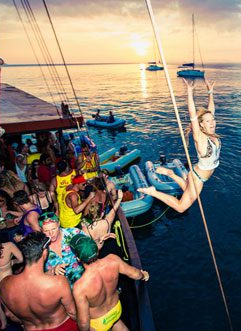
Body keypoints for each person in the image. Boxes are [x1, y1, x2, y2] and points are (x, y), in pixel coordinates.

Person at [138, 78, 220, 213]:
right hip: (198, 178)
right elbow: (193, 114)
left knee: (186, 188)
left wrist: (210, 91)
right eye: (207, 121)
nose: (212, 123)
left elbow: (211, 110)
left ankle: (170, 173)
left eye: (213, 120)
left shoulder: (212, 133)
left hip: (196, 175)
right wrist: (189, 91)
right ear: (201, 124)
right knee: (181, 207)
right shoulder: (200, 137)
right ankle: (153, 192)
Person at [0, 232, 79, 331]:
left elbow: (10, 315)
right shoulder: (58, 283)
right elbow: (72, 312)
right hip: (62, 327)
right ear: (45, 252)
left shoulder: (4, 284)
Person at [71, 235, 149, 331]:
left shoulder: (80, 287)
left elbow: (83, 322)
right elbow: (135, 274)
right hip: (116, 310)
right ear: (97, 250)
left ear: (78, 259)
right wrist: (143, 275)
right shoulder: (113, 260)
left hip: (98, 323)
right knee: (118, 325)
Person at [39, 212, 86, 287]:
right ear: (41, 230)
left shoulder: (74, 233)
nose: (51, 233)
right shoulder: (39, 248)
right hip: (62, 290)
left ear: (59, 224)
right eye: (46, 231)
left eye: (54, 229)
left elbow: (91, 254)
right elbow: (38, 277)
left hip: (84, 282)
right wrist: (53, 270)